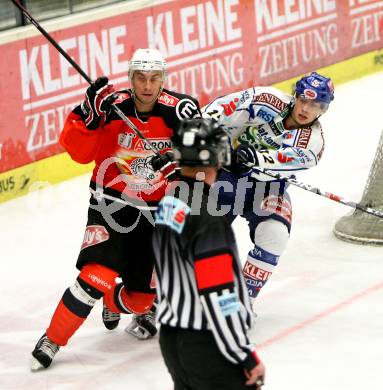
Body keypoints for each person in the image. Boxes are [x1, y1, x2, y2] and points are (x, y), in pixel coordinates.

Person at [31, 48, 201, 370]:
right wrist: (86, 116)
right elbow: (78, 154)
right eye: (141, 78)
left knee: (142, 300)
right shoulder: (111, 108)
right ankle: (52, 339)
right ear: (130, 78)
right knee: (96, 276)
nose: (147, 86)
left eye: (154, 78)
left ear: (164, 79)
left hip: (158, 212)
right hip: (112, 203)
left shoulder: (181, 111)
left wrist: (181, 167)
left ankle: (114, 299)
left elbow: (207, 162)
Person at [202, 72, 334, 308]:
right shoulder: (265, 98)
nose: (305, 108)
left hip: (267, 189)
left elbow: (278, 161)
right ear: (295, 96)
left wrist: (253, 157)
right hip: (225, 176)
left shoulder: (313, 144)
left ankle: (243, 300)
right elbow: (219, 109)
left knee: (275, 235)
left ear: (323, 109)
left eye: (314, 105)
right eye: (303, 99)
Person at [152, 117, 266, 390]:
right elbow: (219, 295)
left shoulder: (170, 201)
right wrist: (245, 355)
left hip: (172, 339)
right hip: (209, 344)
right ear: (219, 156)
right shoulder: (209, 218)